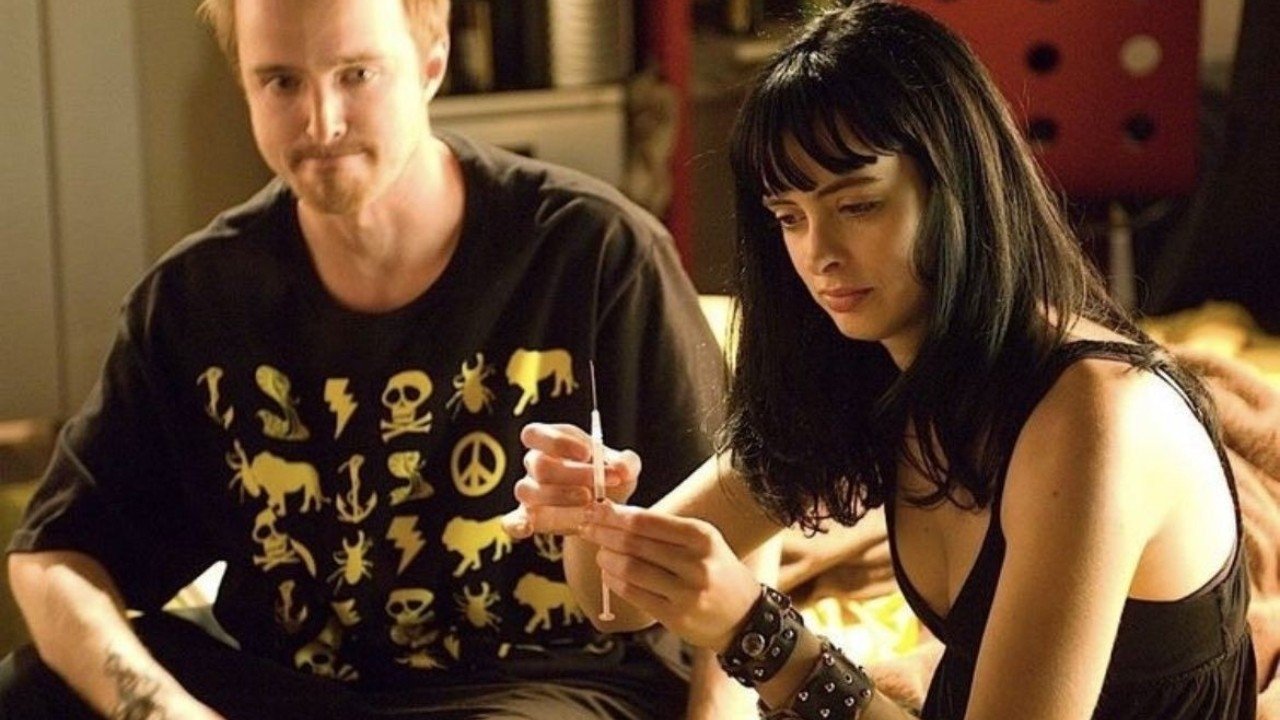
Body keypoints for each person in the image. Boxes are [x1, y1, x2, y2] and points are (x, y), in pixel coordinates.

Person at [507, 1, 1259, 718]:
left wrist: (757, 635)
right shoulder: (870, 368)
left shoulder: (1094, 415)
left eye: (858, 205)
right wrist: (595, 518)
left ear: (958, 189)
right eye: (789, 218)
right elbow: (616, 602)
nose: (819, 255)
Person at [0, 0, 750, 718]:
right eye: (281, 81)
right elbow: (54, 555)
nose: (322, 122)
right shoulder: (195, 298)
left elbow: (741, 523)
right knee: (33, 688)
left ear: (432, 61)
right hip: (290, 687)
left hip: (543, 685)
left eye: (356, 74)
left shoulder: (593, 253)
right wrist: (162, 710)